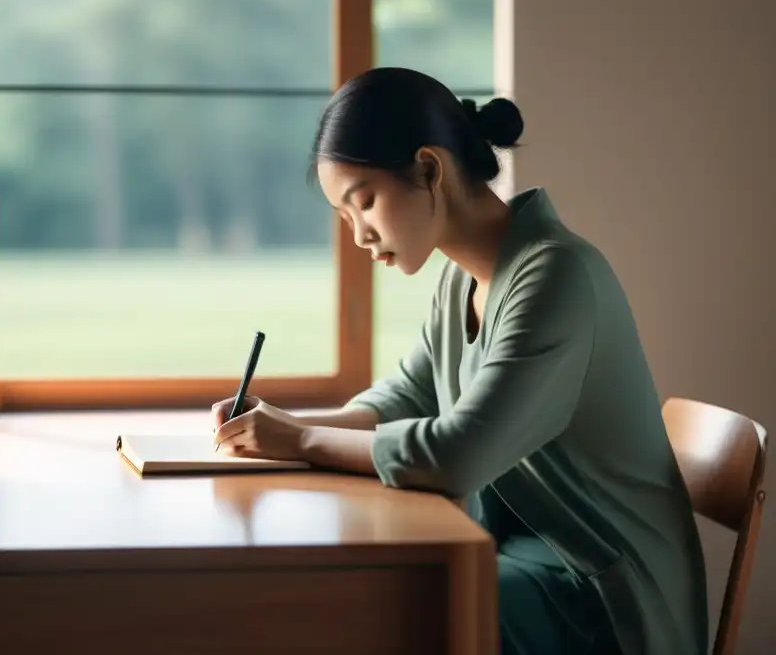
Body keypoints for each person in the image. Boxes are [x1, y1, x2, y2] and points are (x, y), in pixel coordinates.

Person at [211, 67, 709, 655]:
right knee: (384, 597)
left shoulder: (555, 276)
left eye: (363, 202)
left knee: (393, 605)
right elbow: (400, 400)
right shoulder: (461, 282)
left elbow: (458, 455)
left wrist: (299, 440)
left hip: (608, 598)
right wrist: (278, 425)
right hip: (527, 567)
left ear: (429, 170)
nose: (359, 236)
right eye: (345, 218)